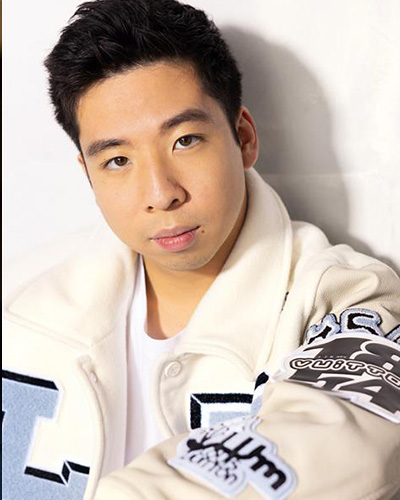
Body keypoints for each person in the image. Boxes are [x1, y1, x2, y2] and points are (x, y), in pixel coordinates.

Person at [2, 0, 399, 499]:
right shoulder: (18, 300)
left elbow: (344, 449)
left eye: (185, 140)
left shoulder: (349, 298)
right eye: (118, 160)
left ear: (243, 137)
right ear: (87, 173)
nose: (160, 193)